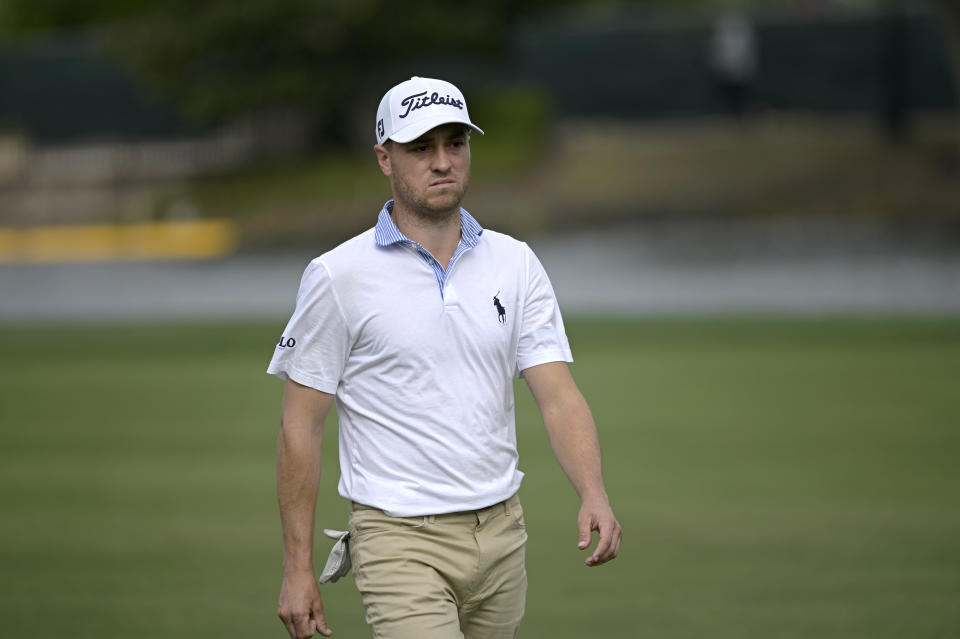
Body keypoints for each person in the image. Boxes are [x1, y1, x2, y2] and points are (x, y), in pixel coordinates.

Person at [269, 76, 621, 639]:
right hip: (398, 538)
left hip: (504, 531)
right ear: (385, 159)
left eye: (455, 143)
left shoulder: (516, 262)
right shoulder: (338, 275)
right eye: (421, 148)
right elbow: (300, 426)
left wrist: (594, 492)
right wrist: (296, 569)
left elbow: (557, 395)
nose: (442, 162)